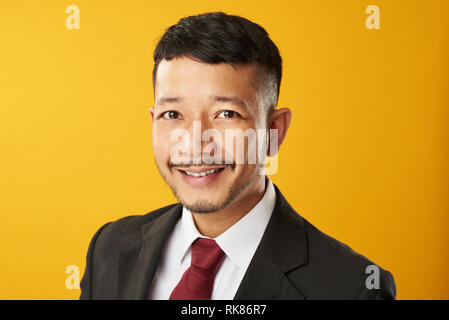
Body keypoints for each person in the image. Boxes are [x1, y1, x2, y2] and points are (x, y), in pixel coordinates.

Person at [79, 12, 396, 300]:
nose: (195, 142)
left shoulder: (353, 288)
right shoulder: (110, 249)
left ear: (274, 131)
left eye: (226, 113)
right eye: (173, 114)